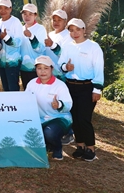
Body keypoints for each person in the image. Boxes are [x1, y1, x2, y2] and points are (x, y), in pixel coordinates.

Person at [58, 18, 104, 161]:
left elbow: (98, 68)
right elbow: (61, 64)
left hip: (87, 87)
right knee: (75, 118)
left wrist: (97, 89)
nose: (75, 33)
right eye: (71, 30)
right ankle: (80, 146)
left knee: (84, 119)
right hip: (71, 86)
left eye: (78, 29)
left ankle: (91, 149)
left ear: (84, 30)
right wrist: (66, 67)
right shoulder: (67, 46)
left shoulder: (93, 46)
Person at [25, 55, 73, 161]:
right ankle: (48, 145)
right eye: (39, 68)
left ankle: (57, 147)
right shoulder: (31, 83)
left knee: (49, 133)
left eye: (46, 68)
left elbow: (68, 105)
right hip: (39, 119)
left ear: (52, 69)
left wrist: (59, 105)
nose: (42, 71)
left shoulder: (60, 85)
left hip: (59, 118)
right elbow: (26, 101)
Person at [44, 9, 74, 145]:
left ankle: (69, 132)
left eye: (59, 20)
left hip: (62, 76)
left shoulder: (68, 36)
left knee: (63, 103)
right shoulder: (50, 34)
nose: (56, 23)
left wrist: (53, 45)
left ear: (65, 22)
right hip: (48, 76)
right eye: (54, 20)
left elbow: (66, 54)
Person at [0, 0, 24, 91]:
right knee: (5, 87)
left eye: (6, 8)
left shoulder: (16, 22)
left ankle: (15, 105)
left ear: (11, 9)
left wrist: (6, 37)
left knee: (13, 87)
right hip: (1, 62)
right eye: (0, 8)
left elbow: (19, 42)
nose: (3, 11)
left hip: (13, 62)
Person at [19, 3, 47, 89]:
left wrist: (31, 37)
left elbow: (41, 49)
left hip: (36, 69)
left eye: (30, 14)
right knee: (27, 93)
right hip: (23, 68)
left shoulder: (40, 29)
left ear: (35, 15)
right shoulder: (20, 28)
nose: (27, 17)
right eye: (25, 14)